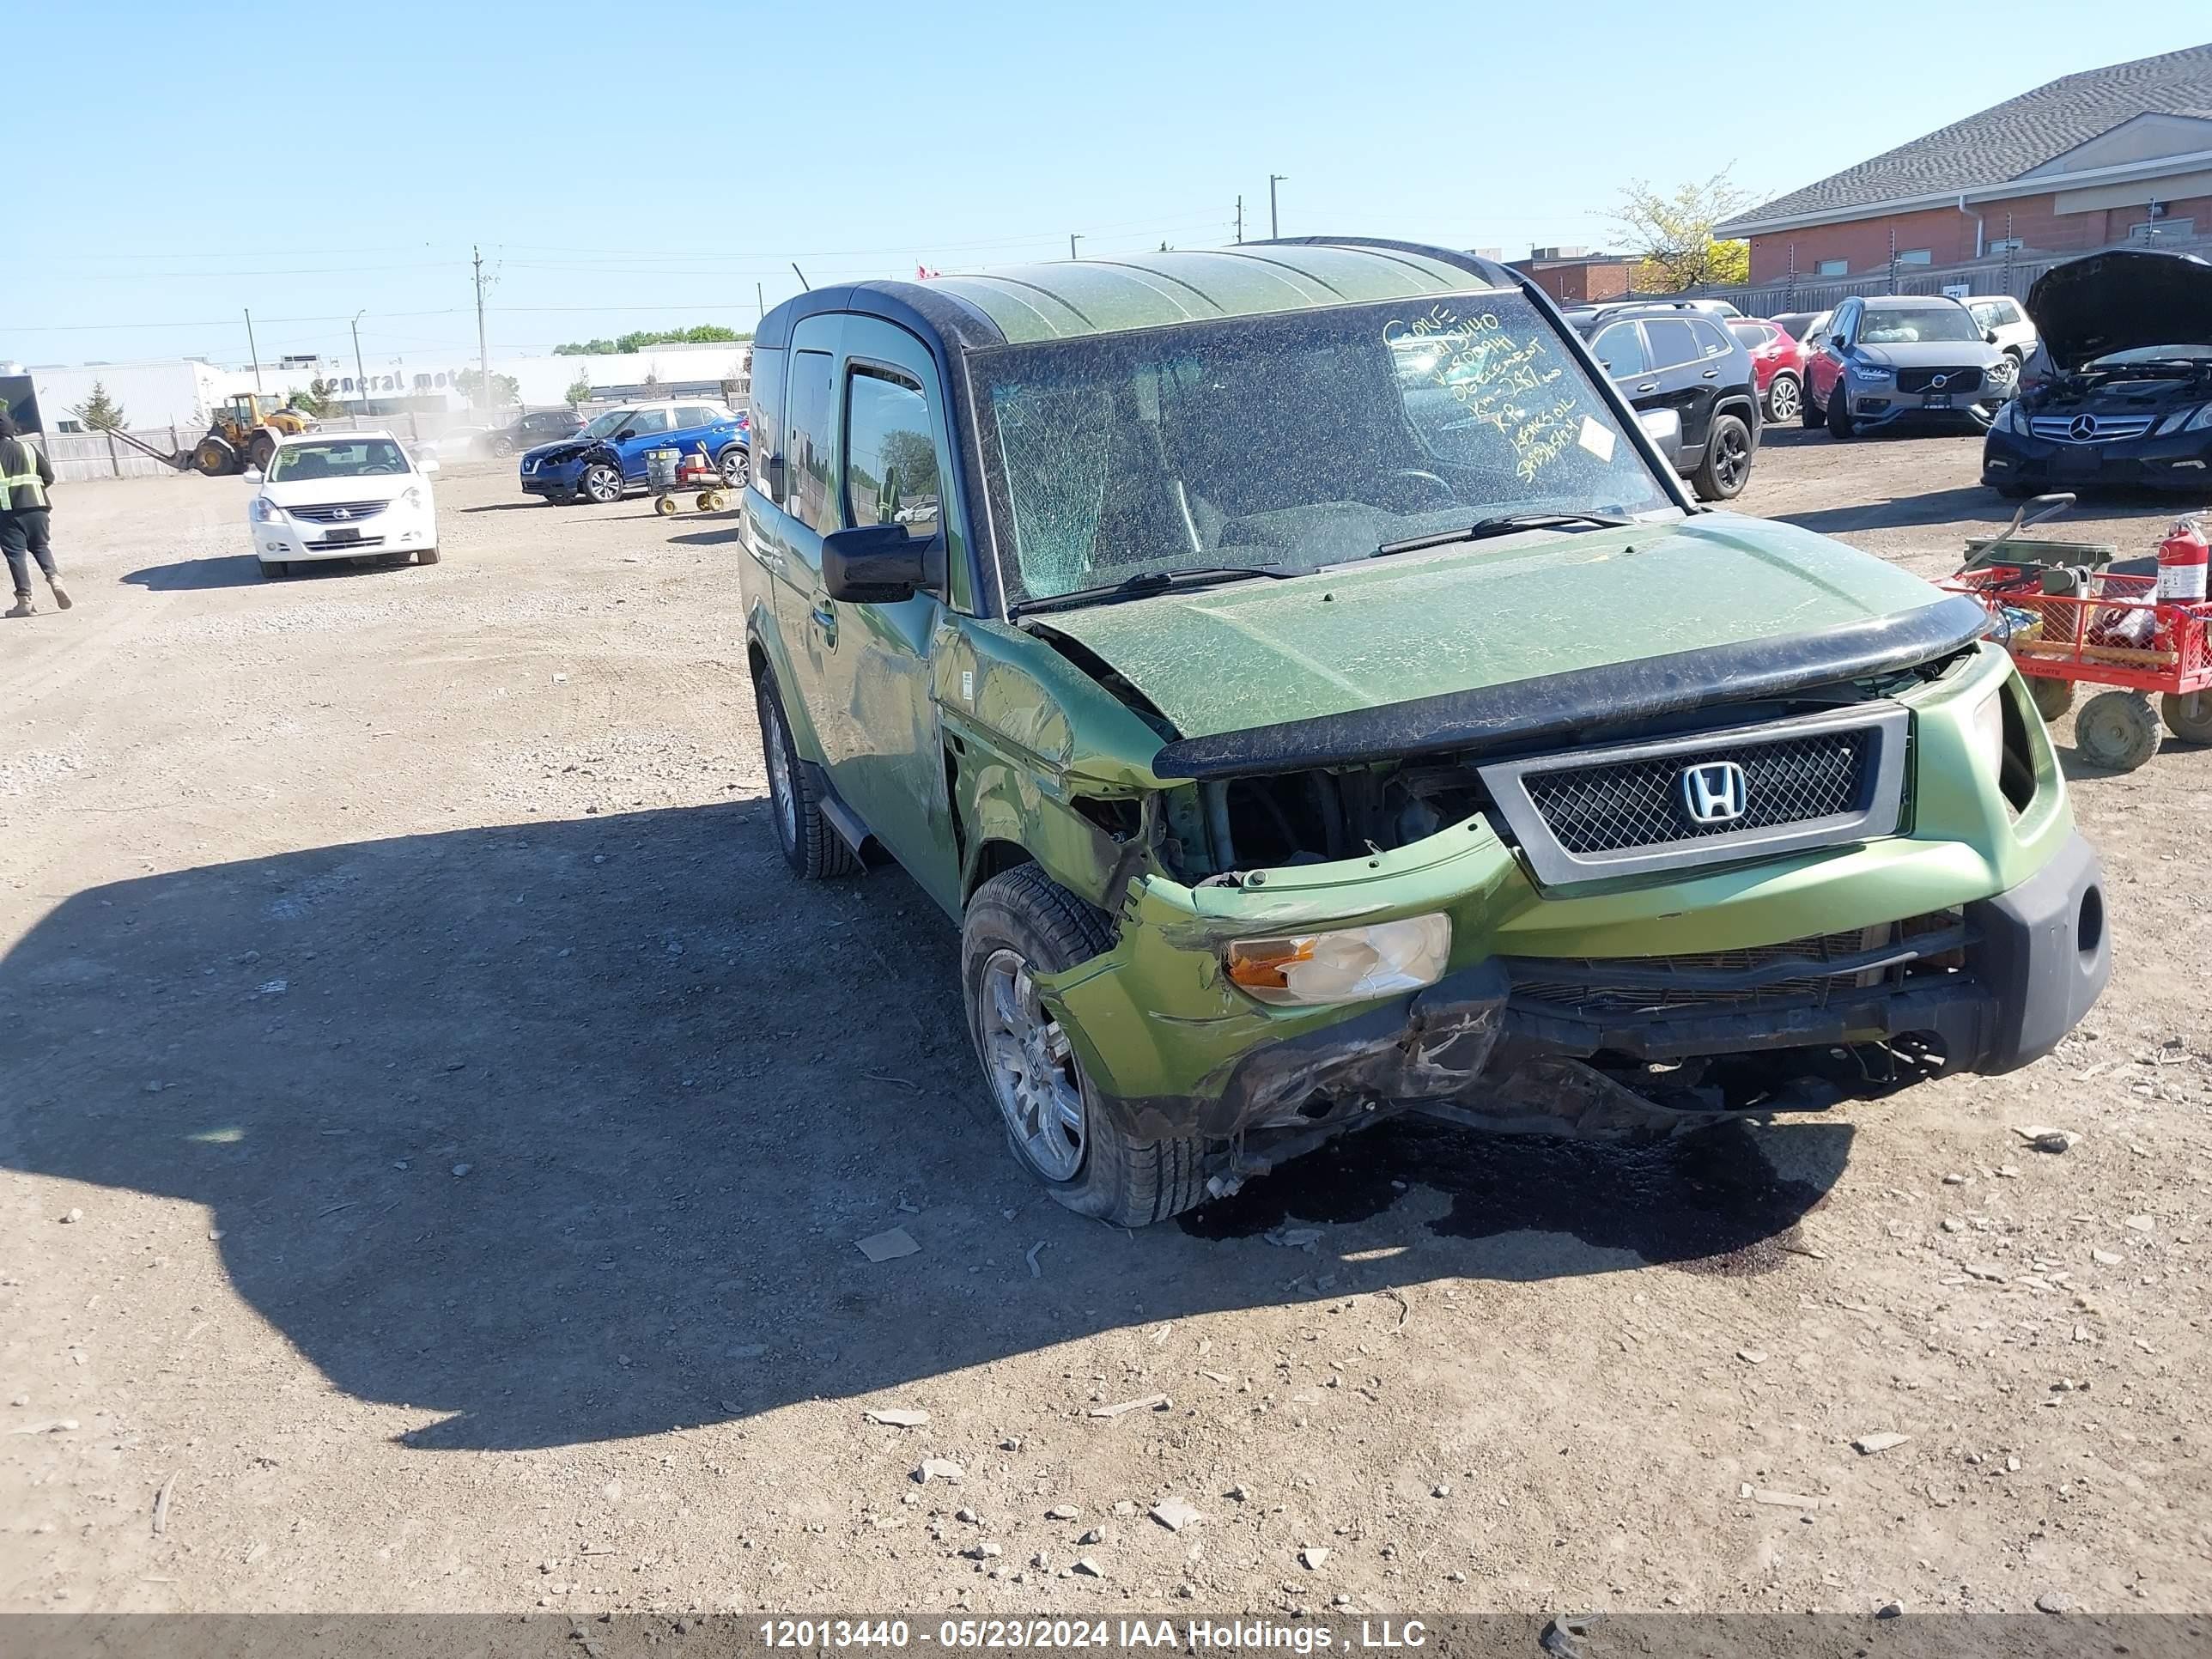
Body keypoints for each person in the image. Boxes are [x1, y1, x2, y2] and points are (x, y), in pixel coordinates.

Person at [0, 414, 70, 617]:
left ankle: (25, 602)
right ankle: (55, 579)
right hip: (38, 507)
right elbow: (48, 477)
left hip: (8, 511)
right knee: (40, 546)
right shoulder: (29, 449)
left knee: (16, 555)